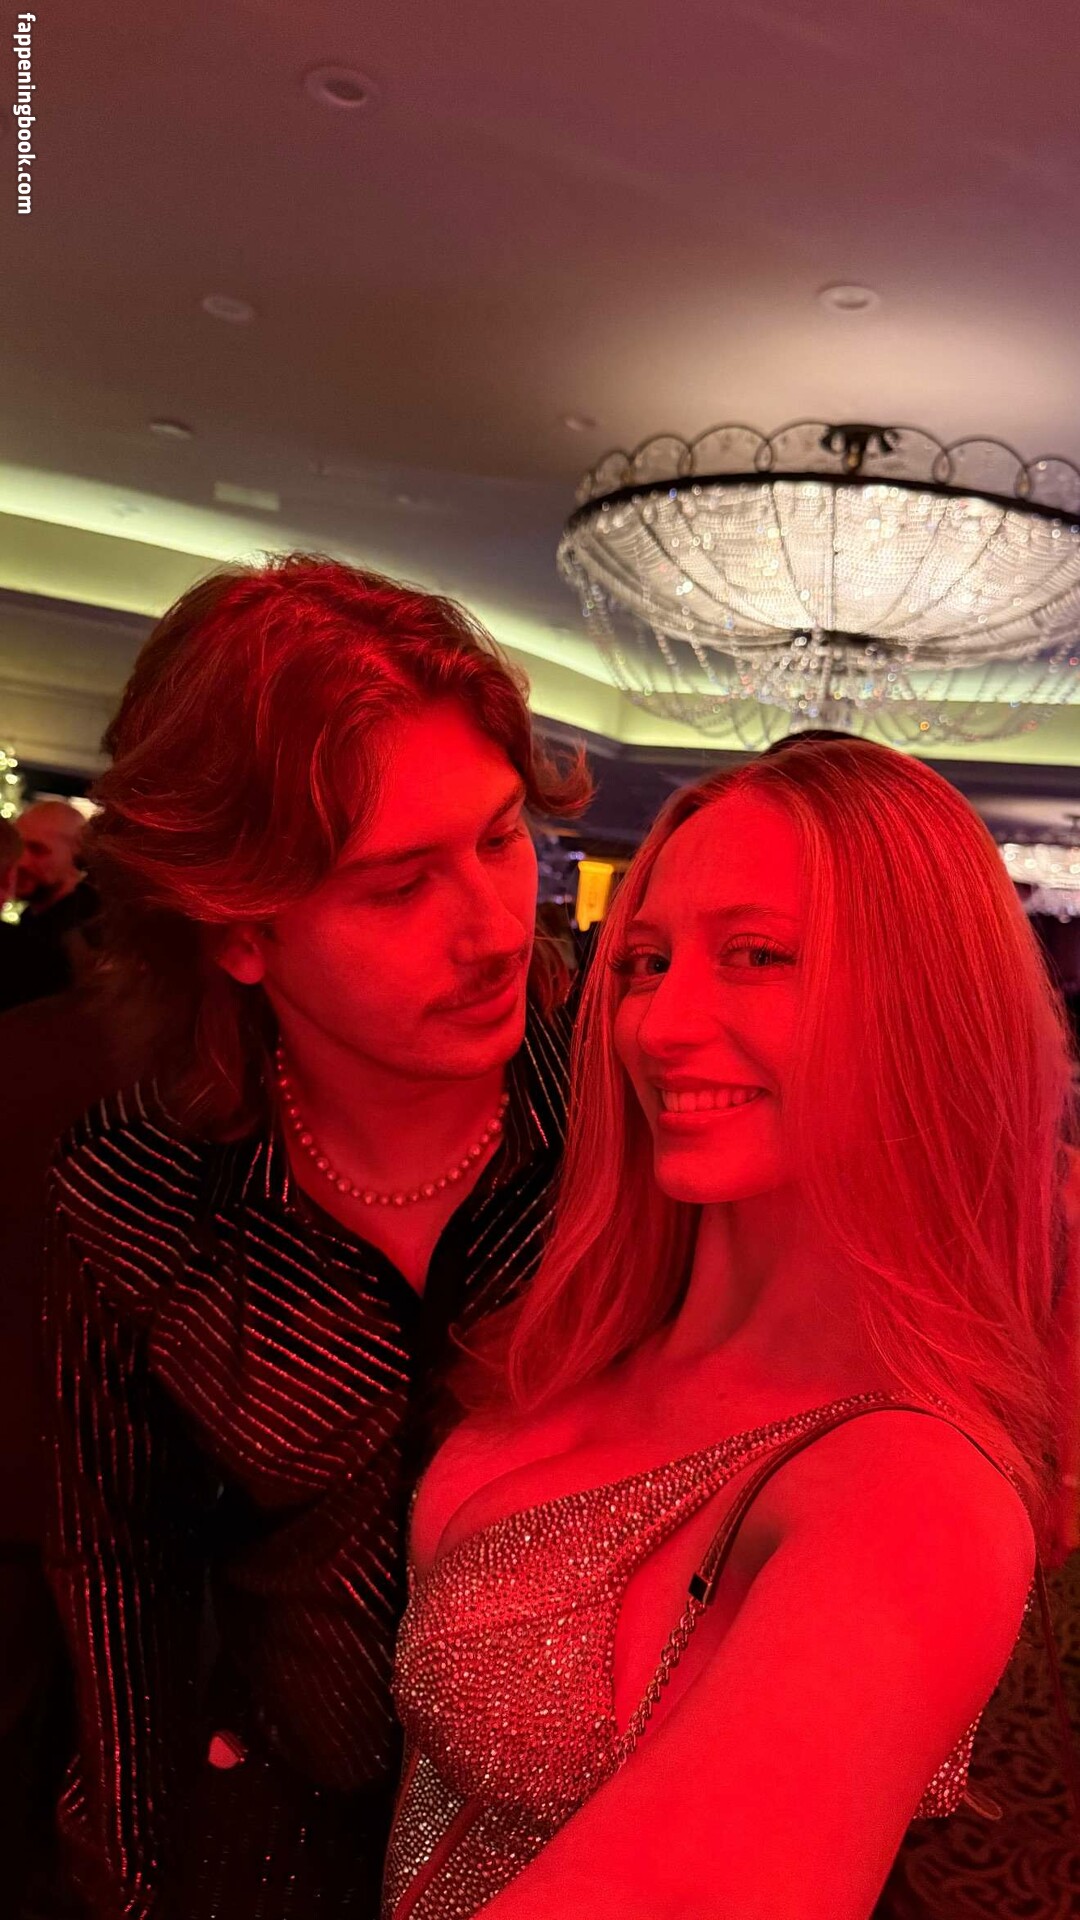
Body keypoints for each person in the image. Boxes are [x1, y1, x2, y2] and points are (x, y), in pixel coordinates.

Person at [383, 736, 1076, 1920]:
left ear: (921, 1007)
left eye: (756, 955)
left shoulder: (913, 1492)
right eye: (646, 962)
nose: (658, 1024)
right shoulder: (591, 1321)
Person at [43, 556, 590, 1920]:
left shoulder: (622, 1124)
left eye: (500, 838)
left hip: (597, 1837)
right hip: (283, 1837)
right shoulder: (139, 1193)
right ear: (237, 930)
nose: (493, 932)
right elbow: (117, 1569)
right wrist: (133, 1877)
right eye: (398, 887)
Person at [8, 799, 100, 1005]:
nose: (20, 861)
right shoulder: (34, 918)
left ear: (77, 855)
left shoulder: (86, 931)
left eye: (38, 850)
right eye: (18, 847)